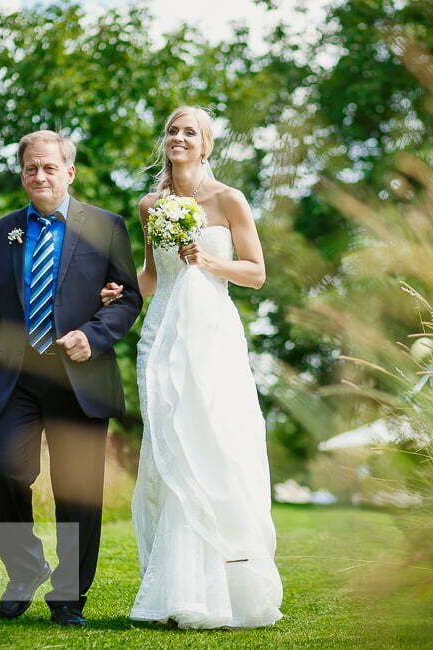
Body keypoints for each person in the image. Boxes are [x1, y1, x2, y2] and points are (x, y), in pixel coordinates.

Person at [101, 106, 283, 629]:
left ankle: (229, 590)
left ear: (206, 146)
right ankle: (176, 590)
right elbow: (155, 277)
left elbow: (256, 273)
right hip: (162, 331)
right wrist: (120, 289)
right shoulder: (150, 205)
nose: (178, 138)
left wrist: (207, 261)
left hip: (210, 332)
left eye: (190, 133)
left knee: (211, 442)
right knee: (168, 447)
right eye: (172, 131)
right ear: (167, 143)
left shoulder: (229, 200)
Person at [0, 130, 141, 627]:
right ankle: (24, 570)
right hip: (15, 378)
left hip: (80, 378)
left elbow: (128, 297)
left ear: (70, 172)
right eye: (30, 169)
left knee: (77, 491)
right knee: (6, 471)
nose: (39, 176)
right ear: (21, 174)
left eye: (48, 168)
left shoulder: (106, 226)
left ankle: (68, 597)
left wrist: (95, 334)